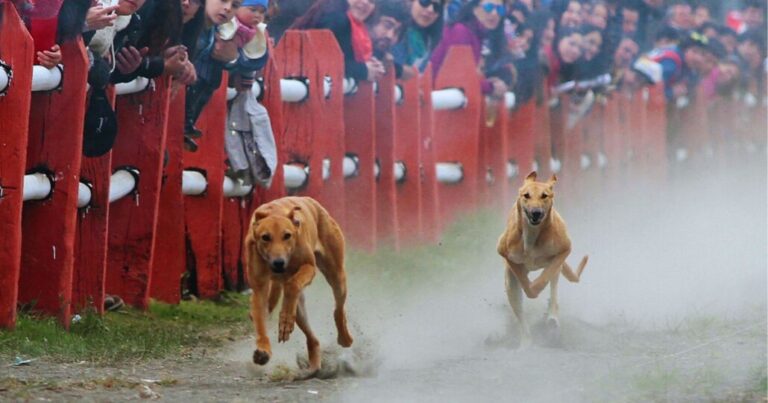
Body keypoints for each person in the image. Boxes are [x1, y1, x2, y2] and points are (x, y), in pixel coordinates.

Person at [430, 0, 514, 100]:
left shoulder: (479, 34)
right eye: (489, 7)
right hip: (434, 100)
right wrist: (490, 87)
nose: (494, 13)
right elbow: (459, 77)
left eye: (500, 10)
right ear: (474, 8)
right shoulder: (461, 31)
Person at [291, 0, 386, 83]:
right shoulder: (337, 19)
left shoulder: (358, 28)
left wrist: (373, 66)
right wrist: (363, 70)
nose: (365, 2)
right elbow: (321, 63)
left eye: (371, 1)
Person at [392, 0, 444, 73]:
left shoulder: (430, 41)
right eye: (425, 2)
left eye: (437, 7)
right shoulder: (392, 28)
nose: (430, 10)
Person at [367, 0, 413, 79]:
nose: (390, 36)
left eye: (397, 32)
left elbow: (411, 74)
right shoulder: (346, 42)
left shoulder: (384, 59)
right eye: (387, 25)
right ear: (370, 20)